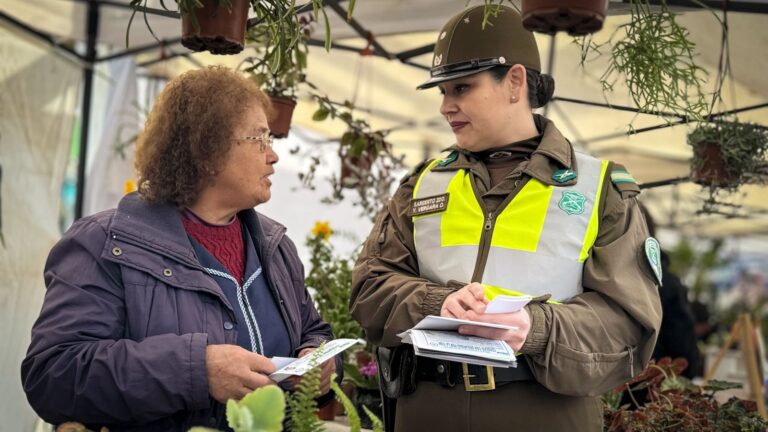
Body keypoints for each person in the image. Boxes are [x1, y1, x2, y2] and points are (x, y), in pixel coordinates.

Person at [349, 6, 662, 432]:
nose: (446, 106)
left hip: (543, 413)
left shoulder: (600, 189)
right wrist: (435, 302)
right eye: (442, 91)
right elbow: (370, 287)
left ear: (515, 82)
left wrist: (535, 329)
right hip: (426, 412)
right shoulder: (421, 184)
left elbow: (627, 324)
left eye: (461, 88)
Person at [21, 66, 337, 431]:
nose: (273, 156)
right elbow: (54, 375)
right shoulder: (104, 243)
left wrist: (319, 359)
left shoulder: (276, 247)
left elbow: (314, 331)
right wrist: (195, 370)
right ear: (207, 151)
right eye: (259, 139)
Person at [639, 202, 703, 378]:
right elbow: (683, 346)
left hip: (634, 388)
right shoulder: (665, 282)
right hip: (650, 388)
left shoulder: (597, 275)